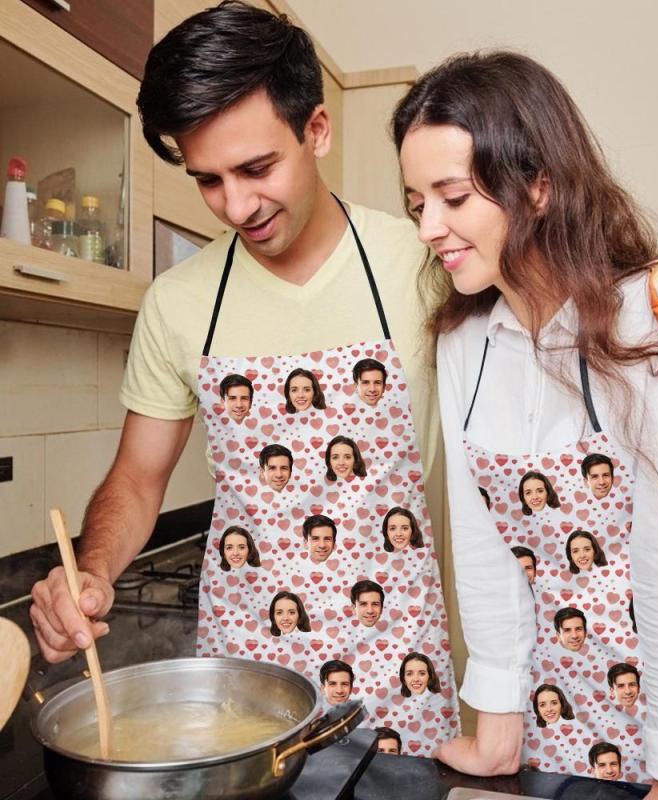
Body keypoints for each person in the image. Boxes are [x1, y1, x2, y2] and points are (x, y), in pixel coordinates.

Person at [28, 1, 437, 670]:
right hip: (248, 670)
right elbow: (137, 479)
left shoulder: (424, 264)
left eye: (256, 169)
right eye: (208, 181)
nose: (238, 207)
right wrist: (92, 570)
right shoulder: (177, 303)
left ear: (317, 130)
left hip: (399, 660)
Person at [394, 50, 658, 794]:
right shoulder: (464, 341)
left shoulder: (656, 319)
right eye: (417, 202)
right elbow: (484, 546)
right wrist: (497, 727)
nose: (428, 226)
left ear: (540, 186)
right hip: (559, 720)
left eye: (452, 197)